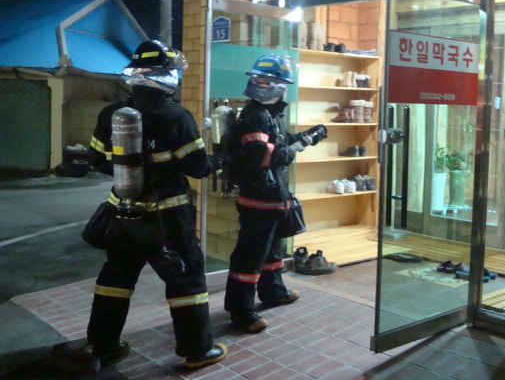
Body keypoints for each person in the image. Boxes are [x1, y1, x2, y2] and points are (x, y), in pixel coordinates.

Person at [55, 40, 226, 371]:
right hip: (168, 221)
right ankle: (197, 350)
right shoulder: (176, 116)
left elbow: (98, 161)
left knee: (115, 278)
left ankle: (102, 346)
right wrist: (215, 158)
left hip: (123, 215)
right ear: (165, 76)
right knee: (186, 281)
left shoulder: (111, 114)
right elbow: (198, 168)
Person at [224, 54, 327, 333]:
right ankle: (241, 312)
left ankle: (273, 292)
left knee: (272, 251)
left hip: (272, 198)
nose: (262, 85)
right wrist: (295, 148)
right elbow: (262, 155)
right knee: (250, 257)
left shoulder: (270, 115)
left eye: (265, 81)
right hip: (258, 200)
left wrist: (308, 136)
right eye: (259, 80)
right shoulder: (256, 116)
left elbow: (281, 143)